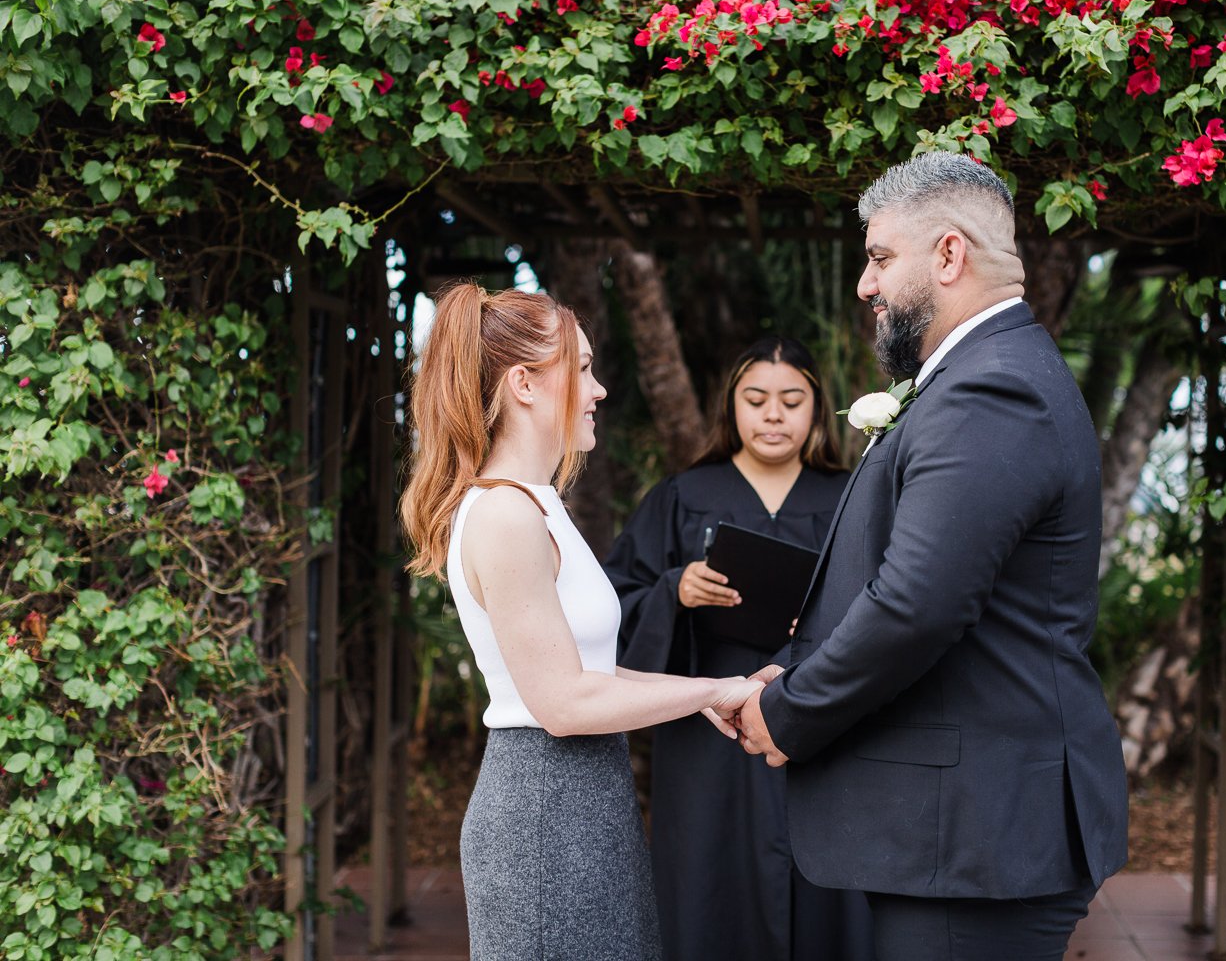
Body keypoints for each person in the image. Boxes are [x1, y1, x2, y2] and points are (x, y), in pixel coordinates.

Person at [735, 153, 1130, 961]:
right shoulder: (983, 375)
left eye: (880, 258)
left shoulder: (994, 390)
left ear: (949, 255)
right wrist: (799, 668)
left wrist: (790, 711)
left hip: (976, 838)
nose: (864, 286)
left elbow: (917, 604)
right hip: (965, 835)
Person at [398, 282, 763, 961]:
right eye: (584, 369)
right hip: (544, 810)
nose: (597, 390)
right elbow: (563, 703)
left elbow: (586, 672)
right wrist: (714, 691)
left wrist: (707, 694)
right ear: (524, 385)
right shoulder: (505, 514)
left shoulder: (537, 504)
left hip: (584, 799)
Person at [604, 336, 872, 961]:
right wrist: (675, 589)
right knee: (706, 880)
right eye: (755, 399)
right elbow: (615, 603)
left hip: (821, 717)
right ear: (732, 408)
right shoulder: (683, 495)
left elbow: (894, 602)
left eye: (791, 399)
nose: (773, 414)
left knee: (827, 881)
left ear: (816, 410)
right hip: (709, 728)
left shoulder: (851, 496)